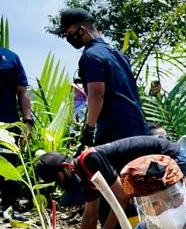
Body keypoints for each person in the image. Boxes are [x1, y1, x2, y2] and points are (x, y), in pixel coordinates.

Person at [36, 135, 186, 229]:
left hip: (171, 157)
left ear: (66, 166)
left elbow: (121, 195)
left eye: (59, 179)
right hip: (152, 169)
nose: (60, 184)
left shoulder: (90, 160)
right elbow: (90, 216)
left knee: (165, 210)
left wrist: (108, 228)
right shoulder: (86, 178)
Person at [52, 8, 148, 148]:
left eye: (70, 33)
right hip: (139, 128)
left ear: (82, 30)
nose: (68, 37)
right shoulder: (116, 54)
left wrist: (89, 129)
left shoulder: (91, 56)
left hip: (115, 133)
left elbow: (96, 95)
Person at [0, 43, 33, 218]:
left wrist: (27, 121)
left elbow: (22, 92)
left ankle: (8, 209)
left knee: (10, 165)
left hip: (7, 123)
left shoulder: (11, 58)